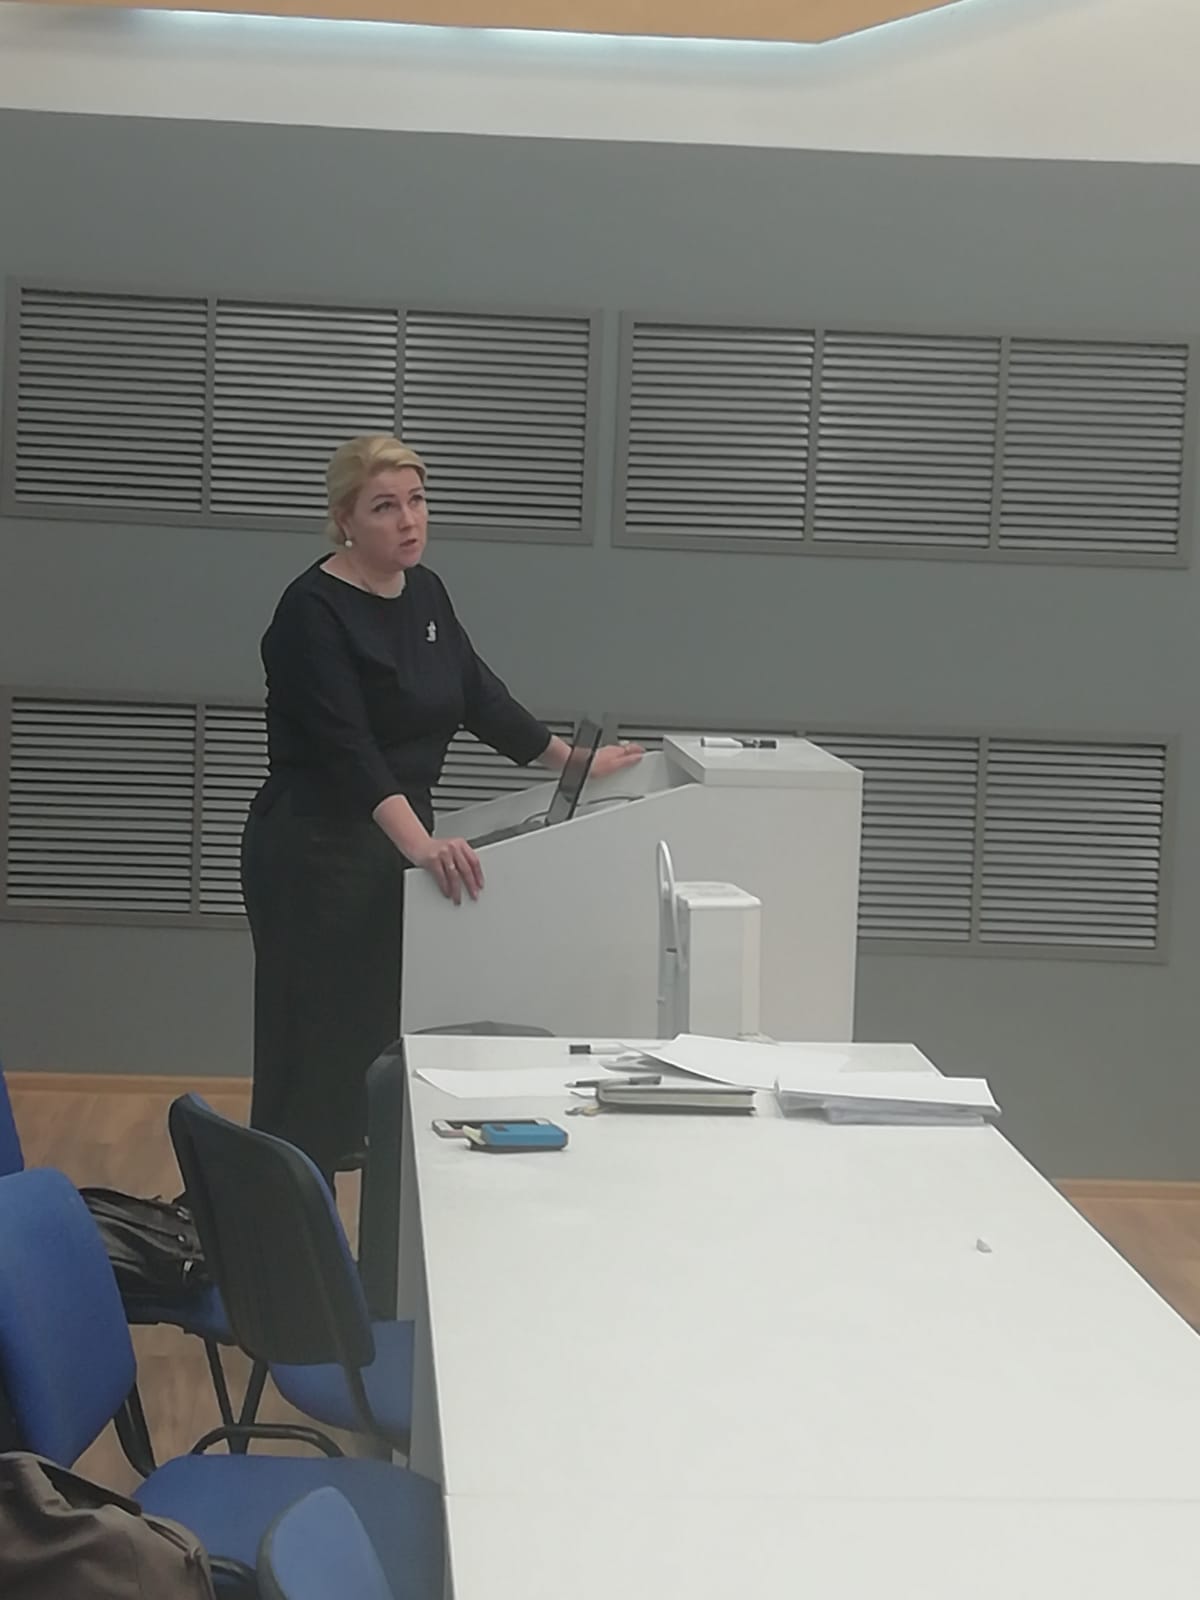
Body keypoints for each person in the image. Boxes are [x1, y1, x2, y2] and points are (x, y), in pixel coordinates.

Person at [240, 435, 643, 1180]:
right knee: (313, 1051)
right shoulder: (311, 612)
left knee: (371, 1041)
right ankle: (282, 1216)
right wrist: (420, 844)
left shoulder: (424, 592)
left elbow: (477, 694)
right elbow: (348, 748)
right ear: (344, 520)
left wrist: (570, 760)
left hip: (388, 844)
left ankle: (356, 1204)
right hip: (315, 851)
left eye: (416, 501)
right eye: (384, 507)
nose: (408, 520)